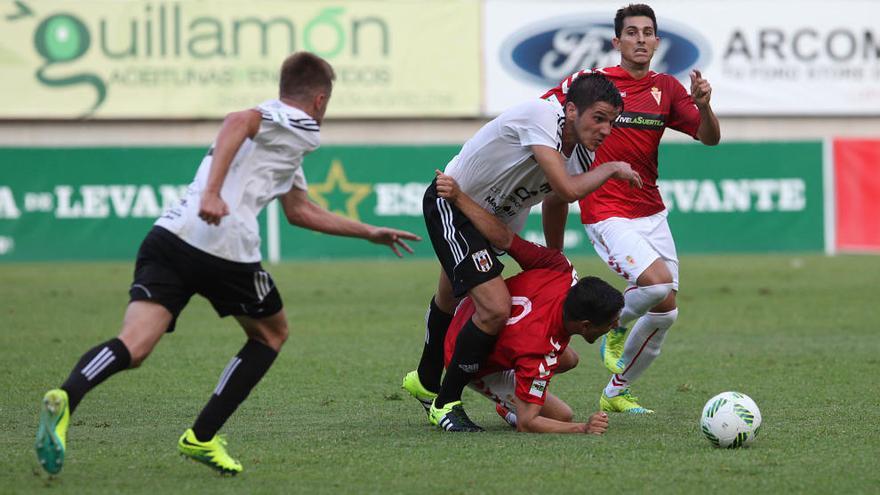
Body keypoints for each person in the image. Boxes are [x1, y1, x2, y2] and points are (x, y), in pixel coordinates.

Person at [34, 52, 420, 476]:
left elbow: (300, 210)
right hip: (222, 245)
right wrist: (213, 194)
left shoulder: (278, 143)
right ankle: (201, 436)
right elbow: (238, 120)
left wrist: (368, 231)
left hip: (169, 236)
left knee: (135, 344)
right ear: (320, 100)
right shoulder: (299, 125)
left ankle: (67, 396)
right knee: (272, 333)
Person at [403, 72, 642, 432]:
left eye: (612, 121)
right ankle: (445, 402)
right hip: (453, 201)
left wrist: (555, 264)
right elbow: (566, 186)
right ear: (572, 109)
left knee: (449, 298)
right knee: (494, 308)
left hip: (490, 226)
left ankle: (424, 378)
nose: (606, 129)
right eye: (599, 118)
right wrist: (612, 167)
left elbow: (557, 201)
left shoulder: (580, 154)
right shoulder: (541, 116)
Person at [540, 3, 721, 414]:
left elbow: (710, 139)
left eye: (647, 32)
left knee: (666, 312)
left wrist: (705, 105)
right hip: (605, 209)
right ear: (616, 41)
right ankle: (616, 323)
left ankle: (616, 390)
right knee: (656, 286)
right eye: (632, 32)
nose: (641, 39)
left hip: (651, 211)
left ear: (657, 41)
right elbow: (543, 109)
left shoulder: (668, 89)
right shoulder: (593, 84)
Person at [427, 171, 623, 434]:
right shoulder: (538, 350)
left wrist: (459, 197)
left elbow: (505, 238)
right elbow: (528, 423)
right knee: (562, 415)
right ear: (585, 325)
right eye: (610, 323)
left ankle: (515, 391)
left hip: (472, 308)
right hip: (464, 351)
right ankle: (507, 402)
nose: (616, 325)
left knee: (569, 360)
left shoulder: (561, 270)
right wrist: (582, 428)